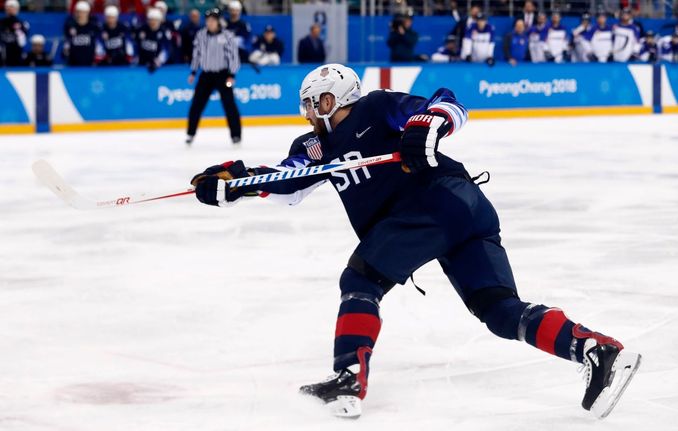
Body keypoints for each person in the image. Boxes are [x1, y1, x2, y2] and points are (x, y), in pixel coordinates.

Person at [188, 63, 642, 420]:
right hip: (462, 211)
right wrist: (237, 181)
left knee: (361, 279)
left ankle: (347, 380)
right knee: (499, 311)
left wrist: (427, 125)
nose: (307, 113)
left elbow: (447, 104)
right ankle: (596, 349)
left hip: (434, 203)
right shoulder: (314, 147)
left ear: (332, 98)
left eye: (312, 103)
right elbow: (290, 181)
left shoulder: (377, 107)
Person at [186, 8, 241, 146]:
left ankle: (236, 135)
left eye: (212, 20)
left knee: (229, 105)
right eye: (208, 20)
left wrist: (231, 75)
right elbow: (196, 55)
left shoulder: (227, 36)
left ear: (217, 21)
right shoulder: (200, 35)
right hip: (206, 75)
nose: (209, 23)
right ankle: (190, 133)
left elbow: (233, 57)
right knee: (196, 105)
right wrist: (193, 72)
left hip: (222, 75)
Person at [62, 1, 101, 66]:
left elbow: (98, 43)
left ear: (88, 12)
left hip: (89, 63)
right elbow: (67, 42)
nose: (81, 14)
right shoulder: (70, 25)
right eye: (79, 12)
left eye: (83, 12)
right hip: (73, 63)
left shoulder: (93, 26)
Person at [135, 8, 170, 73]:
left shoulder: (164, 32)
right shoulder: (142, 29)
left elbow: (166, 50)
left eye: (155, 20)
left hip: (157, 65)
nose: (153, 22)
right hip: (141, 62)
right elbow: (136, 45)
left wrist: (157, 62)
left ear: (159, 21)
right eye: (151, 20)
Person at [0, 0, 29, 66]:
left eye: (12, 7)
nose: (9, 9)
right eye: (8, 7)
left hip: (15, 54)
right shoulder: (1, 22)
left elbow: (22, 43)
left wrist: (17, 29)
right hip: (2, 53)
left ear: (17, 9)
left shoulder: (22, 24)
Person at [224, 0, 251, 64]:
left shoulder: (244, 25)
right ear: (229, 11)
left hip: (240, 51)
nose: (234, 13)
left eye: (236, 10)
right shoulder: (224, 23)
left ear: (240, 11)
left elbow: (247, 39)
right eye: (232, 10)